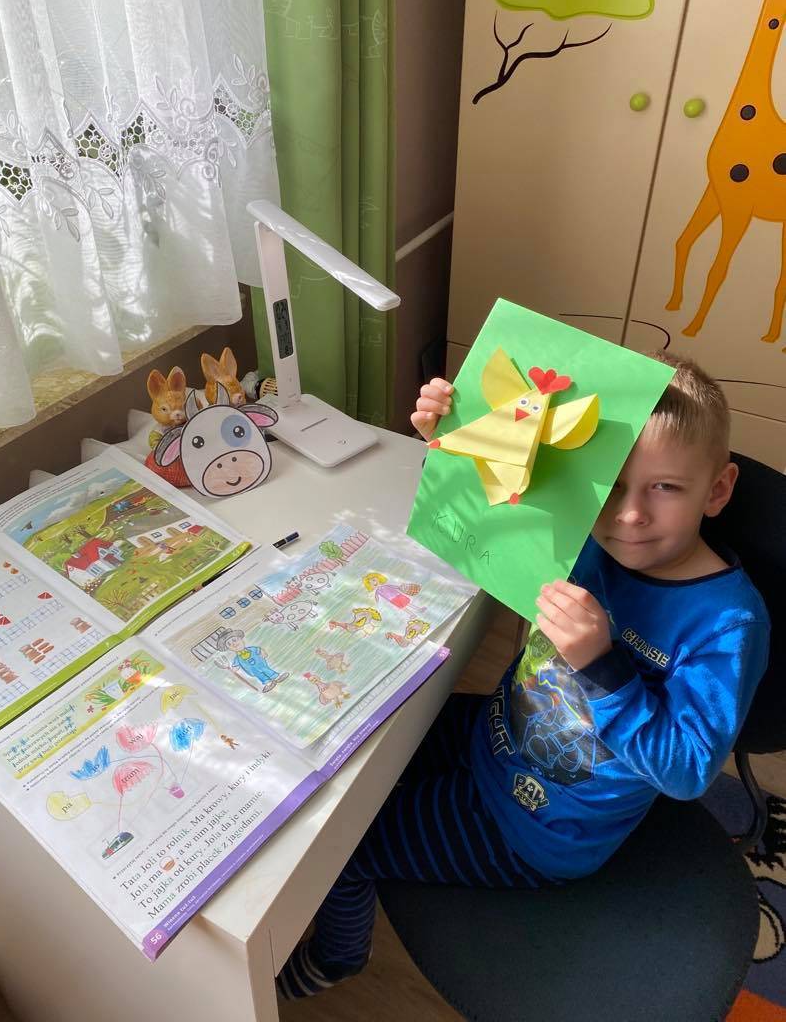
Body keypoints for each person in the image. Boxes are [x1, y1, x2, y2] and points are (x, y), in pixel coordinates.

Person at [277, 352, 769, 999]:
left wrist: (603, 665)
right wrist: (452, 444)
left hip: (539, 827)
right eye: (612, 484)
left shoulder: (727, 624)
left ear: (718, 490)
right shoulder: (587, 533)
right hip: (493, 736)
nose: (628, 515)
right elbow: (483, 523)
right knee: (358, 746)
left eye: (665, 488)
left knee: (344, 846)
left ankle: (338, 954)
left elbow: (686, 771)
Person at [214, 628, 288, 693]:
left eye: (234, 640)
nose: (233, 644)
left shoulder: (252, 649)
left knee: (266, 670)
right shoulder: (237, 658)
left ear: (241, 639)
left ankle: (276, 677)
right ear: (229, 648)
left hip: (261, 664)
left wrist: (263, 652)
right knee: (260, 676)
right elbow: (235, 666)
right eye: (229, 644)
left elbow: (259, 650)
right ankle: (268, 683)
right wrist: (233, 669)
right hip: (253, 671)